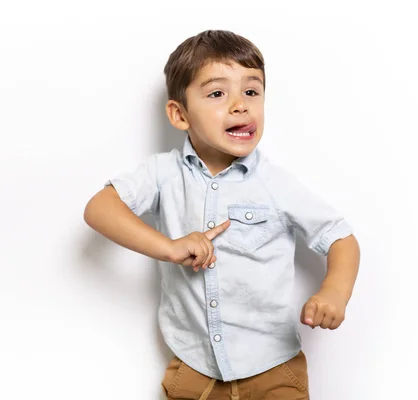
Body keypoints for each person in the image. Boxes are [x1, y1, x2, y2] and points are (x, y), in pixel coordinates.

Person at [83, 29, 360, 400]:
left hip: (272, 367)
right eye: (217, 93)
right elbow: (99, 208)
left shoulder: (275, 183)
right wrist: (168, 247)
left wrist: (334, 292)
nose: (240, 105)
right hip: (194, 368)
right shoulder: (163, 173)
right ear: (179, 114)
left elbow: (340, 237)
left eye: (251, 91)